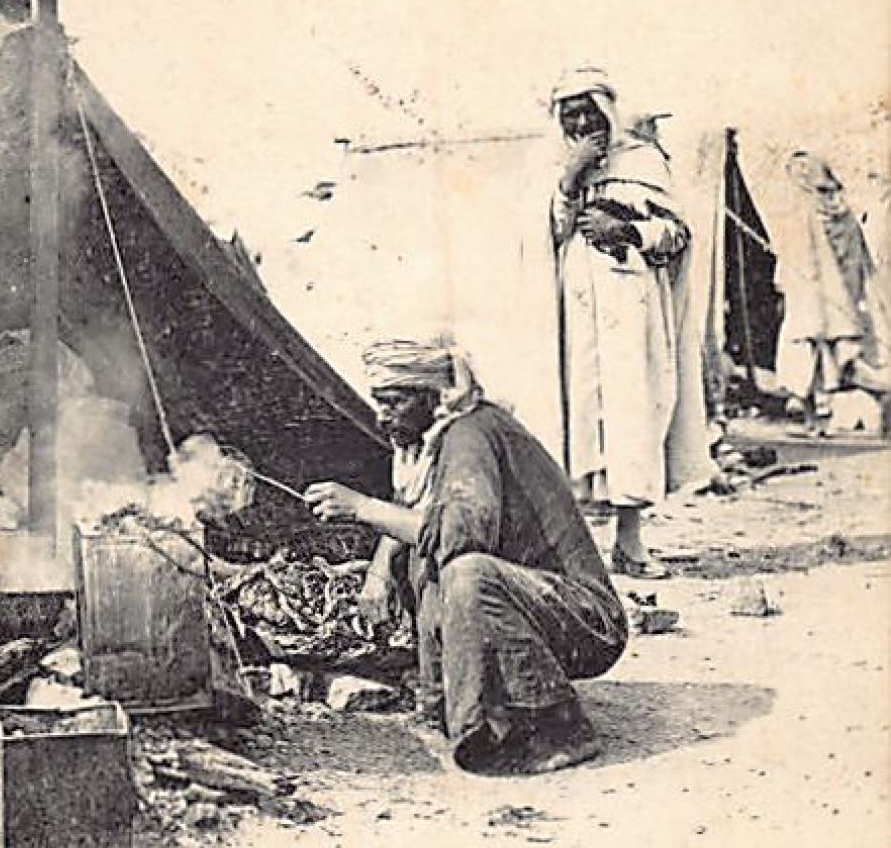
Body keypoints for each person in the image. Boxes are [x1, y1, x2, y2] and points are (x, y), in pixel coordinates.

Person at [304, 338, 627, 775]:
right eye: (379, 403)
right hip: (543, 602)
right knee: (427, 559)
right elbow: (419, 511)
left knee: (468, 571)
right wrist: (379, 571)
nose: (382, 418)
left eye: (394, 403)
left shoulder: (470, 435)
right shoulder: (440, 436)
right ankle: (467, 708)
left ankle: (557, 727)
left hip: (587, 619)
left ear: (433, 397)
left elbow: (463, 533)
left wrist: (362, 508)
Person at [548, 68, 713, 579]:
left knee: (631, 413)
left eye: (587, 110)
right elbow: (549, 233)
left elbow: (676, 234)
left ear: (607, 109)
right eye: (569, 112)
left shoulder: (642, 161)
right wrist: (571, 178)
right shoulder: (557, 167)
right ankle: (576, 552)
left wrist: (628, 229)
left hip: (630, 302)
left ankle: (630, 541)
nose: (580, 120)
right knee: (578, 416)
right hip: (576, 309)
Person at [772, 151, 889, 436]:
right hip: (823, 300)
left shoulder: (812, 212)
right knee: (821, 361)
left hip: (820, 300)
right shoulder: (827, 213)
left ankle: (817, 420)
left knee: (823, 360)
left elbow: (842, 259)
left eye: (803, 171)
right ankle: (815, 422)